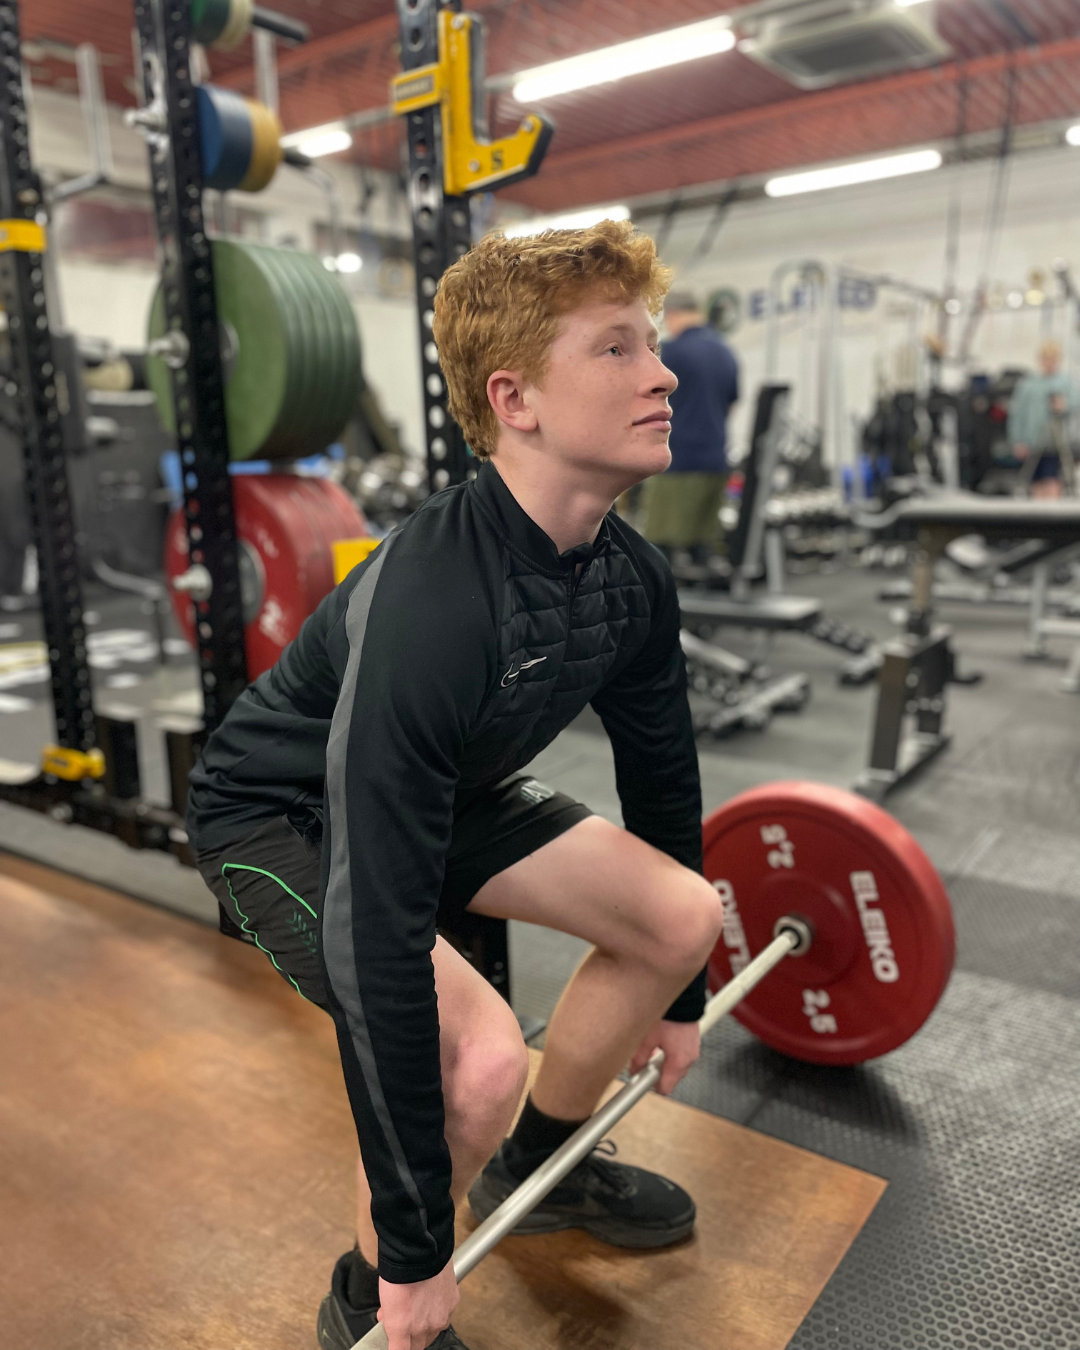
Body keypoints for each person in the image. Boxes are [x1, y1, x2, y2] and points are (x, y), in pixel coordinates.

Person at [186, 220, 724, 1350]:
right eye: (618, 349)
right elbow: (377, 924)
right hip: (280, 815)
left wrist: (683, 993)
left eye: (654, 343)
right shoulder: (435, 602)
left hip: (444, 791)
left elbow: (664, 778)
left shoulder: (631, 578)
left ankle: (546, 1164)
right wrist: (416, 1254)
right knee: (474, 1058)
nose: (664, 371)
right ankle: (362, 1292)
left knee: (682, 916)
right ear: (515, 398)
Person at [640, 290, 739, 563]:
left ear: (672, 316)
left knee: (660, 549)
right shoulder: (725, 352)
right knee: (703, 547)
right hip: (716, 460)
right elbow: (731, 404)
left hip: (677, 463)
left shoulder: (671, 353)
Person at [1007, 339, 1079, 498]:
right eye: (1046, 358)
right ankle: (1040, 516)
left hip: (1056, 444)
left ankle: (1052, 516)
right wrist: (1017, 441)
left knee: (1052, 480)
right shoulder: (1028, 384)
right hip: (1032, 443)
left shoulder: (1066, 382)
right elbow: (1017, 414)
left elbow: (1076, 402)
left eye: (1053, 359)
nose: (1049, 363)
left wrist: (1064, 405)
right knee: (1035, 481)